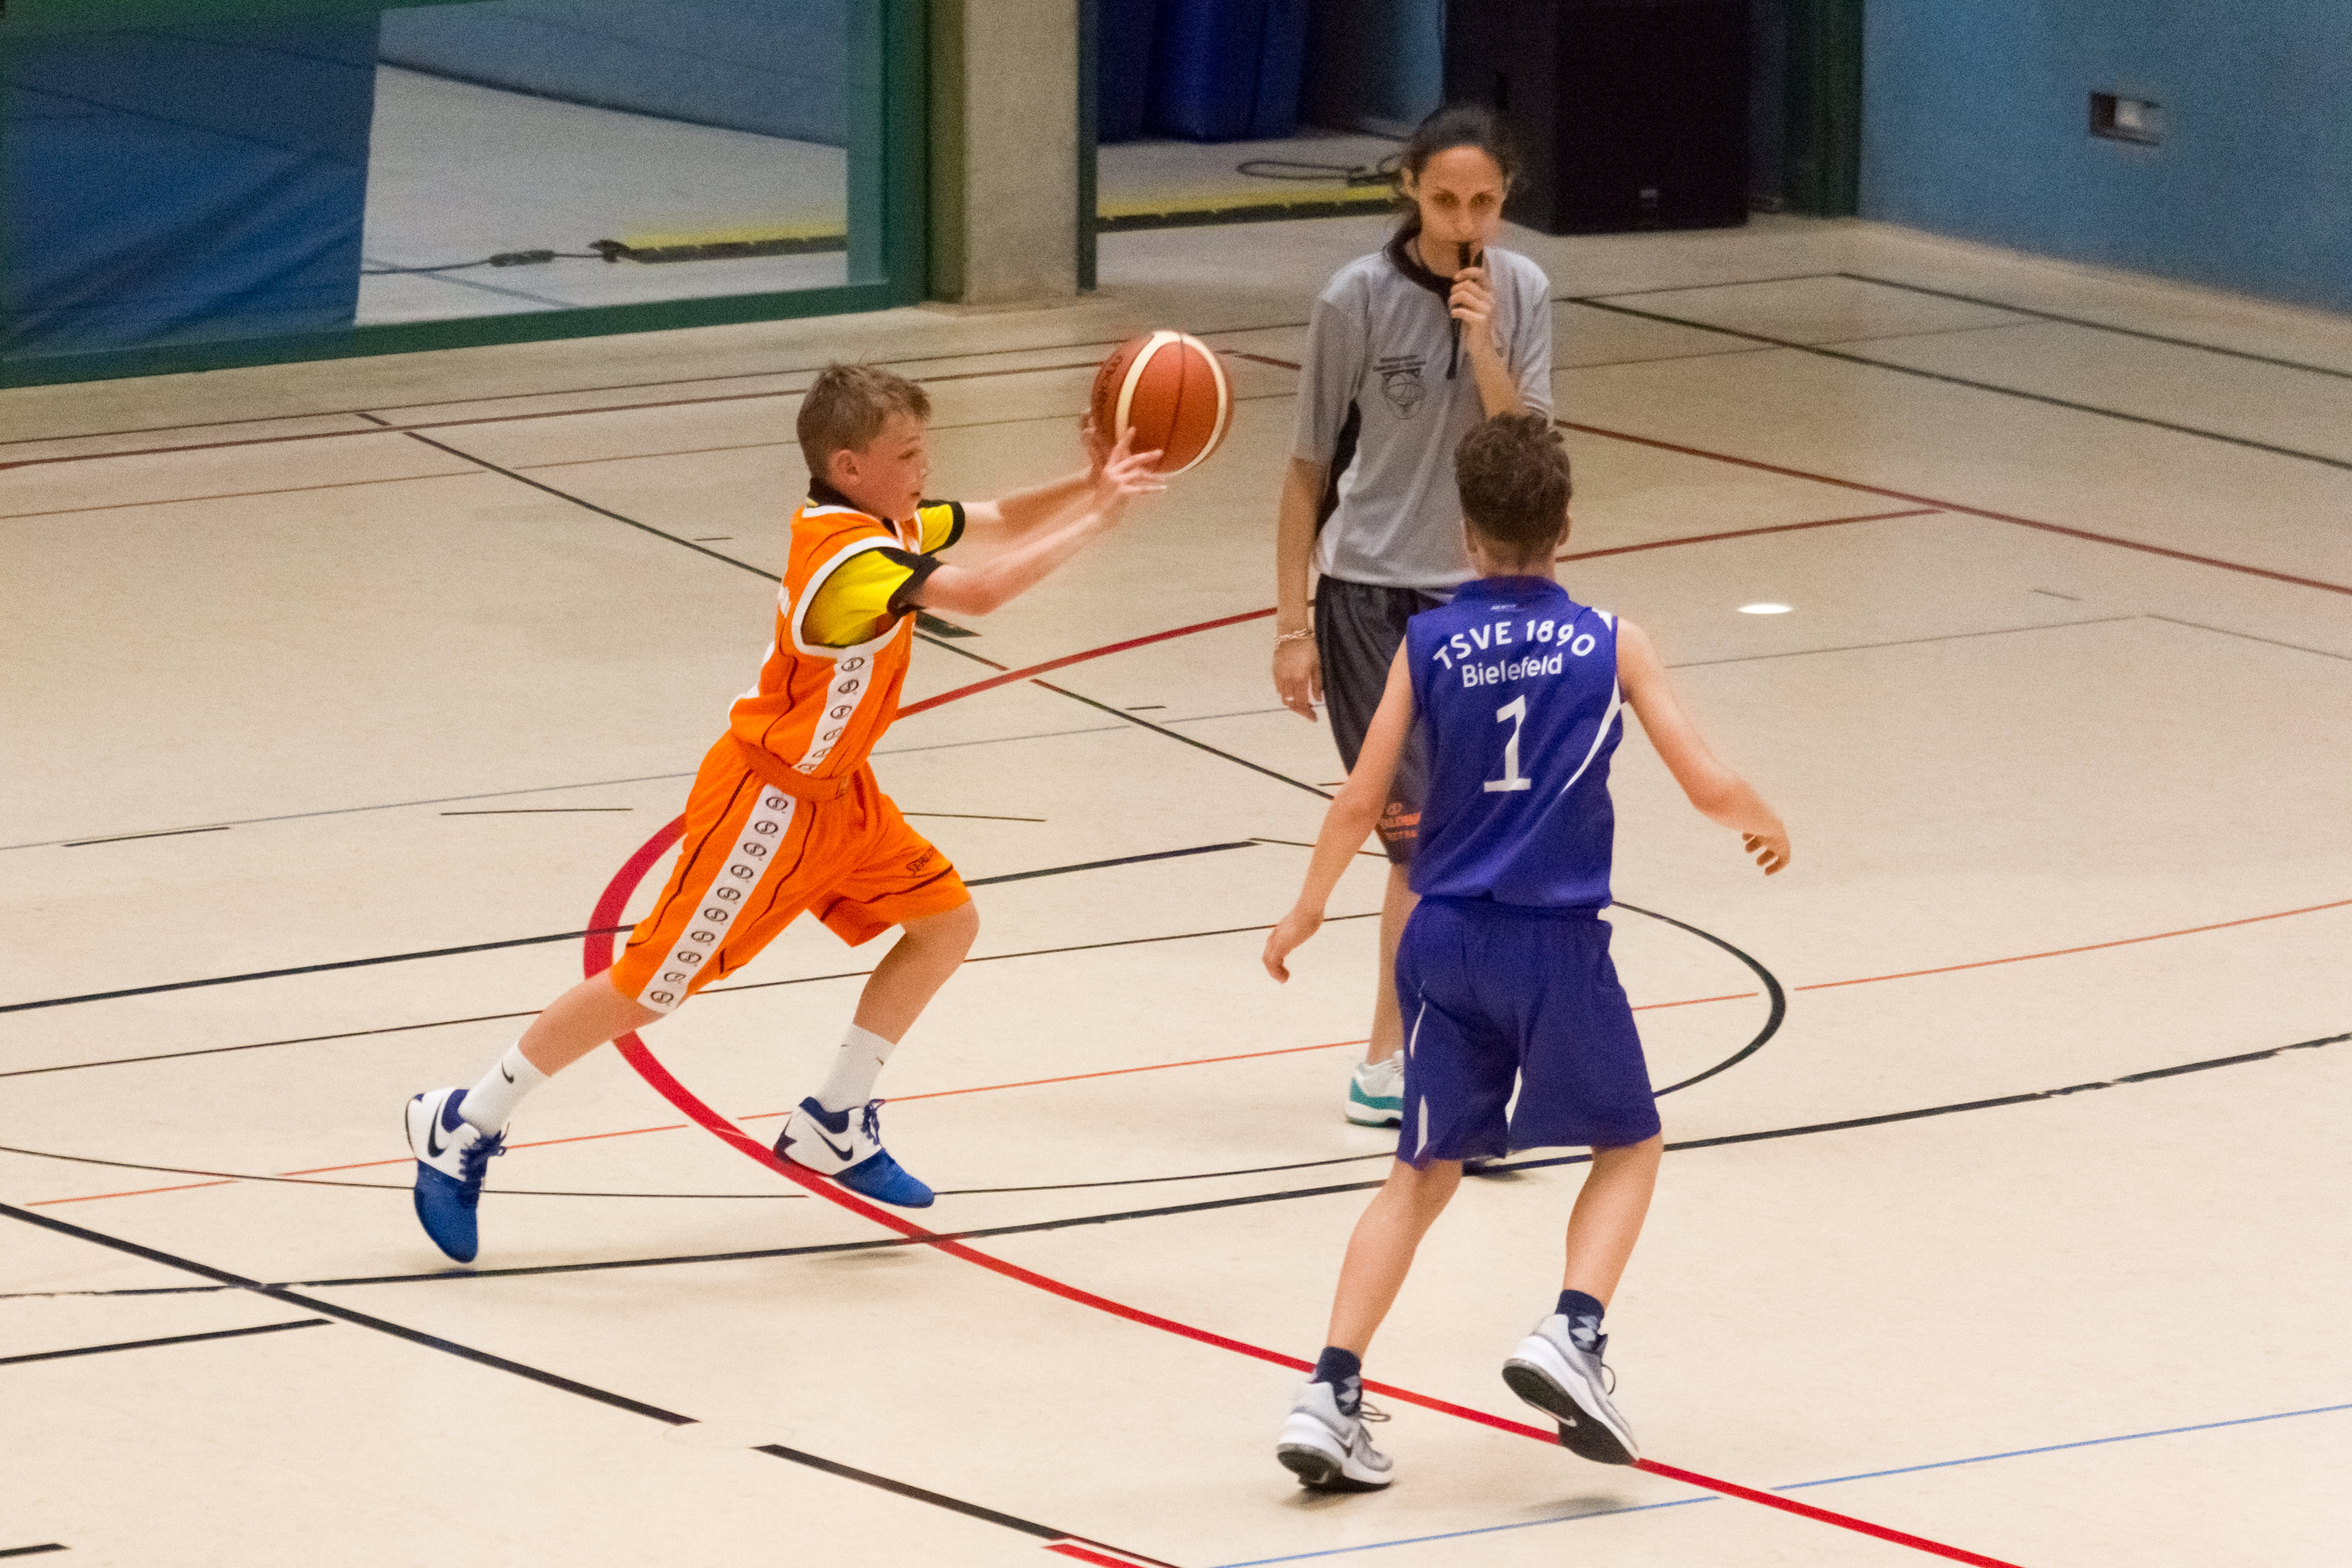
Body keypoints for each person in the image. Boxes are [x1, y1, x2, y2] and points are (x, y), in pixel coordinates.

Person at [402, 363, 1163, 1264]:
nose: (924, 467)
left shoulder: (888, 519)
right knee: (651, 985)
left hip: (842, 796)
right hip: (767, 806)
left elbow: (992, 517)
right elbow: (981, 593)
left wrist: (1088, 479)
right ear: (850, 467)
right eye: (907, 454)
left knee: (946, 924)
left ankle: (835, 1119)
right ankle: (465, 1116)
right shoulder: (849, 561)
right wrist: (1103, 515)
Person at [1262, 414, 1790, 1489]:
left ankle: (1329, 1390)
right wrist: (1761, 819)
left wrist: (1305, 910)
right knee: (1630, 1143)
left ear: (1465, 535)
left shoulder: (1426, 644)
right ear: (1567, 526)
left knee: (1417, 1176)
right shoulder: (1611, 642)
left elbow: (1361, 797)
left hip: (1440, 940)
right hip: (1550, 943)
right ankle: (1573, 1333)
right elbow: (1705, 783)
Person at [1271, 104, 1555, 1129]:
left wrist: (1484, 342)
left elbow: (1527, 448)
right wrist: (1291, 623)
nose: (1464, 219)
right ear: (1409, 190)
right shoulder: (1353, 297)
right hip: (1367, 597)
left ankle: (1433, 1043)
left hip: (1476, 594)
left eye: (1484, 201)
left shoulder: (1524, 290)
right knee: (1420, 843)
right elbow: (1307, 470)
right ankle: (1386, 1061)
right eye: (1445, 200)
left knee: (1466, 844)